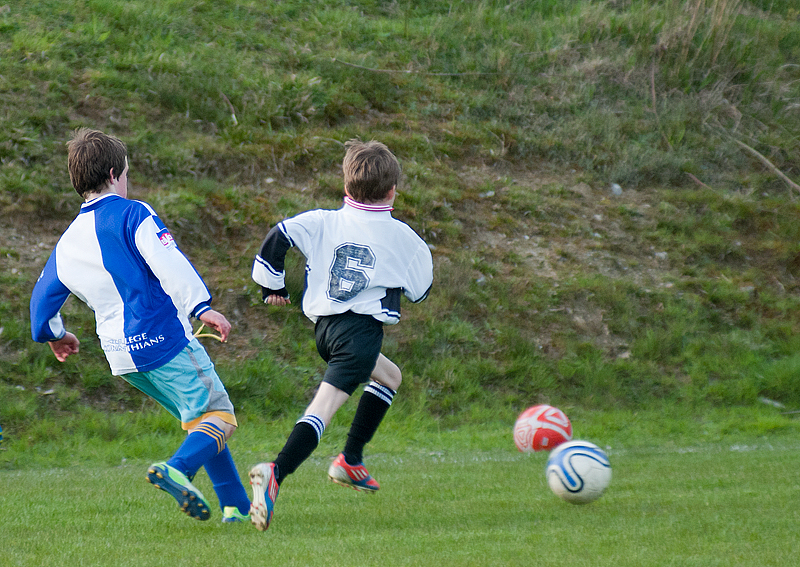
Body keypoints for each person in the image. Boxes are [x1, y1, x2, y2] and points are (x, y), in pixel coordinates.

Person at [30, 128, 251, 523]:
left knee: (200, 419)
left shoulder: (67, 243)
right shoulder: (134, 214)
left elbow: (41, 303)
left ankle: (236, 507)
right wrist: (201, 306)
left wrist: (55, 335)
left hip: (122, 358)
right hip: (162, 339)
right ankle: (177, 469)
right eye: (127, 174)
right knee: (220, 415)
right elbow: (169, 263)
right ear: (115, 174)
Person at [248, 139, 434, 531]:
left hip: (326, 331)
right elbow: (420, 290)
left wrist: (273, 287)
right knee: (322, 410)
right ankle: (275, 472)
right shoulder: (405, 238)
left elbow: (278, 236)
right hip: (361, 334)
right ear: (393, 190)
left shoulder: (320, 220)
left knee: (390, 376)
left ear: (346, 188)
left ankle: (350, 460)